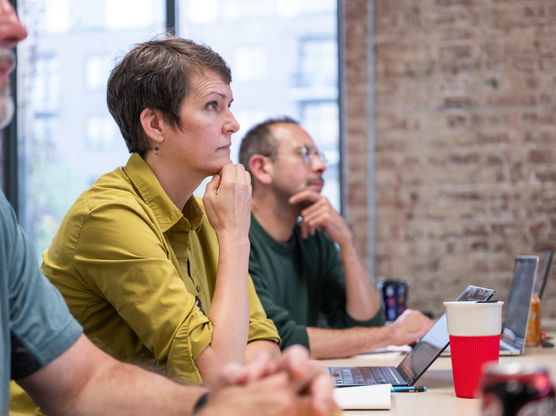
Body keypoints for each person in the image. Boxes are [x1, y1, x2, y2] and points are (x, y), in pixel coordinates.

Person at [1, 3, 337, 416]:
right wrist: (235, 236)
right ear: (156, 125)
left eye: (229, 105)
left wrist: (246, 385)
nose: (233, 123)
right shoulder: (110, 215)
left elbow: (261, 340)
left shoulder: (205, 211)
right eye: (214, 105)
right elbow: (217, 376)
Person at [238, 117, 435, 359]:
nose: (321, 166)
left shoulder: (314, 239)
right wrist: (394, 334)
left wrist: (346, 242)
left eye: (320, 155)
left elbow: (365, 324)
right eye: (305, 154)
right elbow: (280, 338)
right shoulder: (236, 238)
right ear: (261, 168)